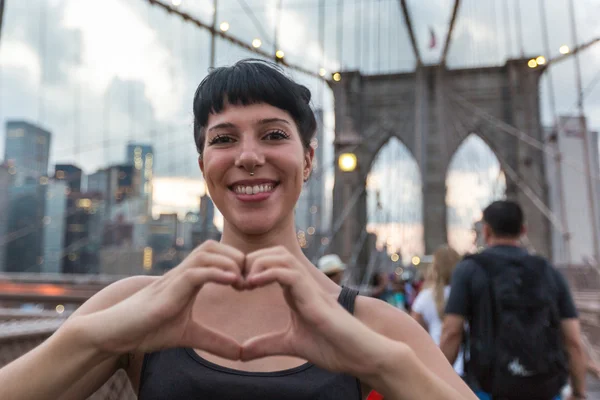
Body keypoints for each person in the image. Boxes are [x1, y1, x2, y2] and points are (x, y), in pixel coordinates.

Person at [0, 59, 476, 400]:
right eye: (224, 139)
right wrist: (96, 338)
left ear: (309, 160)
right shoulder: (135, 307)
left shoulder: (374, 327)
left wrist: (378, 363)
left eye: (273, 134)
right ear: (204, 163)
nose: (248, 156)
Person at [440, 200, 587, 400]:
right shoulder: (548, 271)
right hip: (546, 389)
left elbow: (452, 332)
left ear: (486, 230)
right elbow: (573, 339)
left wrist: (438, 380)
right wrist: (579, 392)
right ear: (523, 230)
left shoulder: (469, 269)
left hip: (489, 389)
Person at [411, 245, 464, 377]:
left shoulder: (425, 297)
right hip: (466, 366)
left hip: (436, 366)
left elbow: (414, 334)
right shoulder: (468, 294)